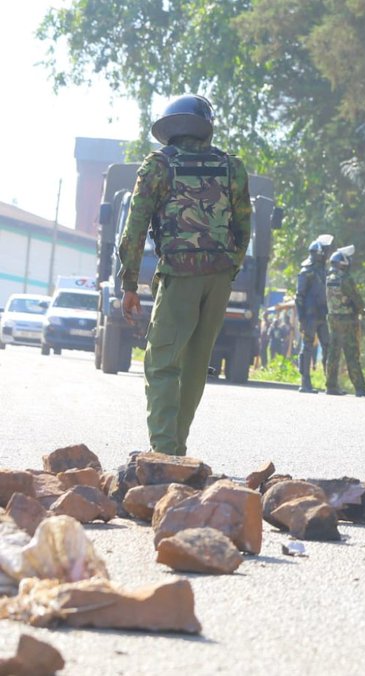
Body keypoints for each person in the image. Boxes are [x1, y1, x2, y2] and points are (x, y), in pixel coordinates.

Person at [118, 94, 251, 457]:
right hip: (220, 276)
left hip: (179, 274)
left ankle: (164, 451)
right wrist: (227, 269)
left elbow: (134, 229)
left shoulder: (157, 165)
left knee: (162, 361)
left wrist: (129, 284)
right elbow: (244, 227)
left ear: (169, 129)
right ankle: (176, 448)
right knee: (195, 364)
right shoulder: (231, 166)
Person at [325, 245, 365, 397]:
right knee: (352, 354)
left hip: (333, 318)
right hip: (348, 320)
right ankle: (360, 389)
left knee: (333, 353)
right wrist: (362, 310)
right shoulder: (345, 278)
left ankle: (331, 386)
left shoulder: (329, 278)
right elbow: (356, 298)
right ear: (343, 262)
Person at [296, 234, 334, 393]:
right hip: (310, 317)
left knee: (328, 346)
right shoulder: (306, 271)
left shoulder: (322, 271)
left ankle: (330, 384)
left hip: (322, 315)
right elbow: (299, 297)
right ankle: (305, 383)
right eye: (323, 251)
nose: (326, 254)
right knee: (307, 347)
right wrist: (301, 319)